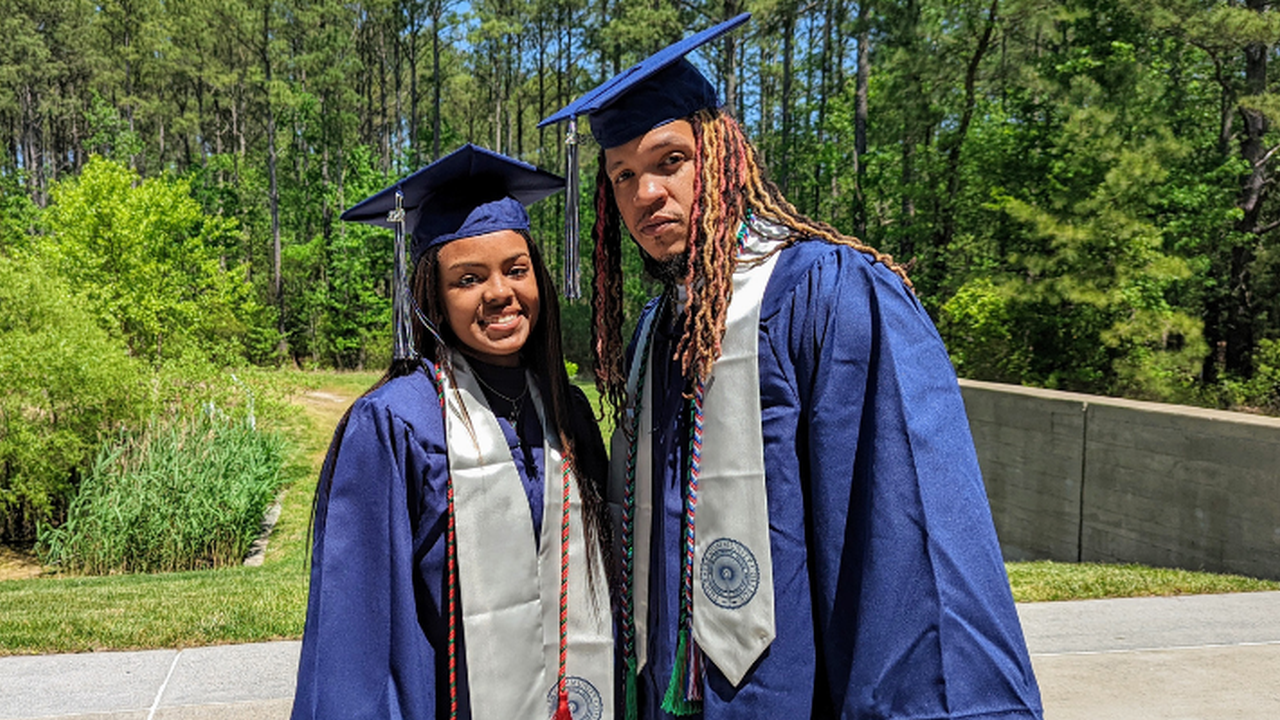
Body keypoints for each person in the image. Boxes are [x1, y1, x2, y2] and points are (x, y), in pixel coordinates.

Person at [539, 14, 1043, 720]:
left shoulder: (829, 291)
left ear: (720, 155)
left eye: (668, 161)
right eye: (623, 176)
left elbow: (906, 538)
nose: (644, 193)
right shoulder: (659, 327)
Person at [290, 144, 614, 720]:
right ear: (433, 297)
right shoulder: (396, 424)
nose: (499, 293)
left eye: (517, 270)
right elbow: (360, 631)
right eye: (468, 278)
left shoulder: (567, 412)